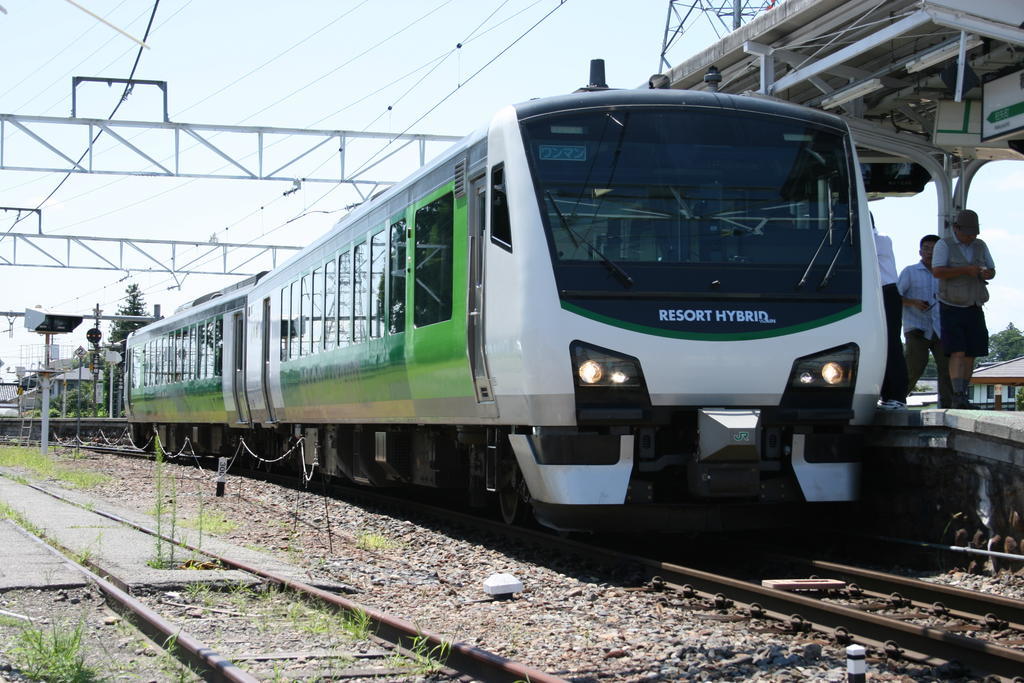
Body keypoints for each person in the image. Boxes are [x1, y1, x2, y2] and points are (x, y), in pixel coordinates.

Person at [931, 209, 995, 409]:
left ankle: (963, 395)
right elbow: (938, 271)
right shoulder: (944, 245)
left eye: (974, 233)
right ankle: (957, 395)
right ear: (956, 229)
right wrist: (965, 270)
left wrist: (986, 274)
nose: (971, 237)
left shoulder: (980, 245)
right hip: (951, 305)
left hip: (974, 304)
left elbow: (992, 271)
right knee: (957, 351)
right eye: (967, 233)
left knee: (971, 352)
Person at [898, 234, 953, 408]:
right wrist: (912, 302)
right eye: (926, 249)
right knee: (914, 367)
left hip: (941, 327)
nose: (929, 253)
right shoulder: (910, 271)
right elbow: (894, 296)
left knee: (947, 368)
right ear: (920, 251)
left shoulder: (944, 273)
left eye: (934, 249)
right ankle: (897, 400)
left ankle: (949, 405)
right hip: (916, 327)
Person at [874, 217, 908, 410]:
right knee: (880, 345)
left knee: (891, 344)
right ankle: (886, 394)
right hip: (876, 292)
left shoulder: (880, 239)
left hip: (886, 292)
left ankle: (897, 396)